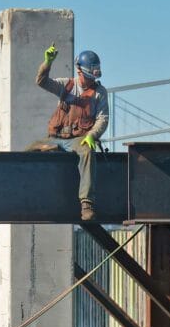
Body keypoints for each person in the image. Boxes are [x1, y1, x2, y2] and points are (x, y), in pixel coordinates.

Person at [26, 45, 109, 221]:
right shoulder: (67, 85)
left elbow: (103, 119)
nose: (89, 80)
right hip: (55, 139)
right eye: (87, 76)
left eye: (92, 77)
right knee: (30, 149)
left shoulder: (99, 93)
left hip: (78, 139)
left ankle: (86, 204)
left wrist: (91, 135)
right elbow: (41, 81)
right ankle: (24, 193)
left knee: (87, 152)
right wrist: (47, 63)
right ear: (79, 71)